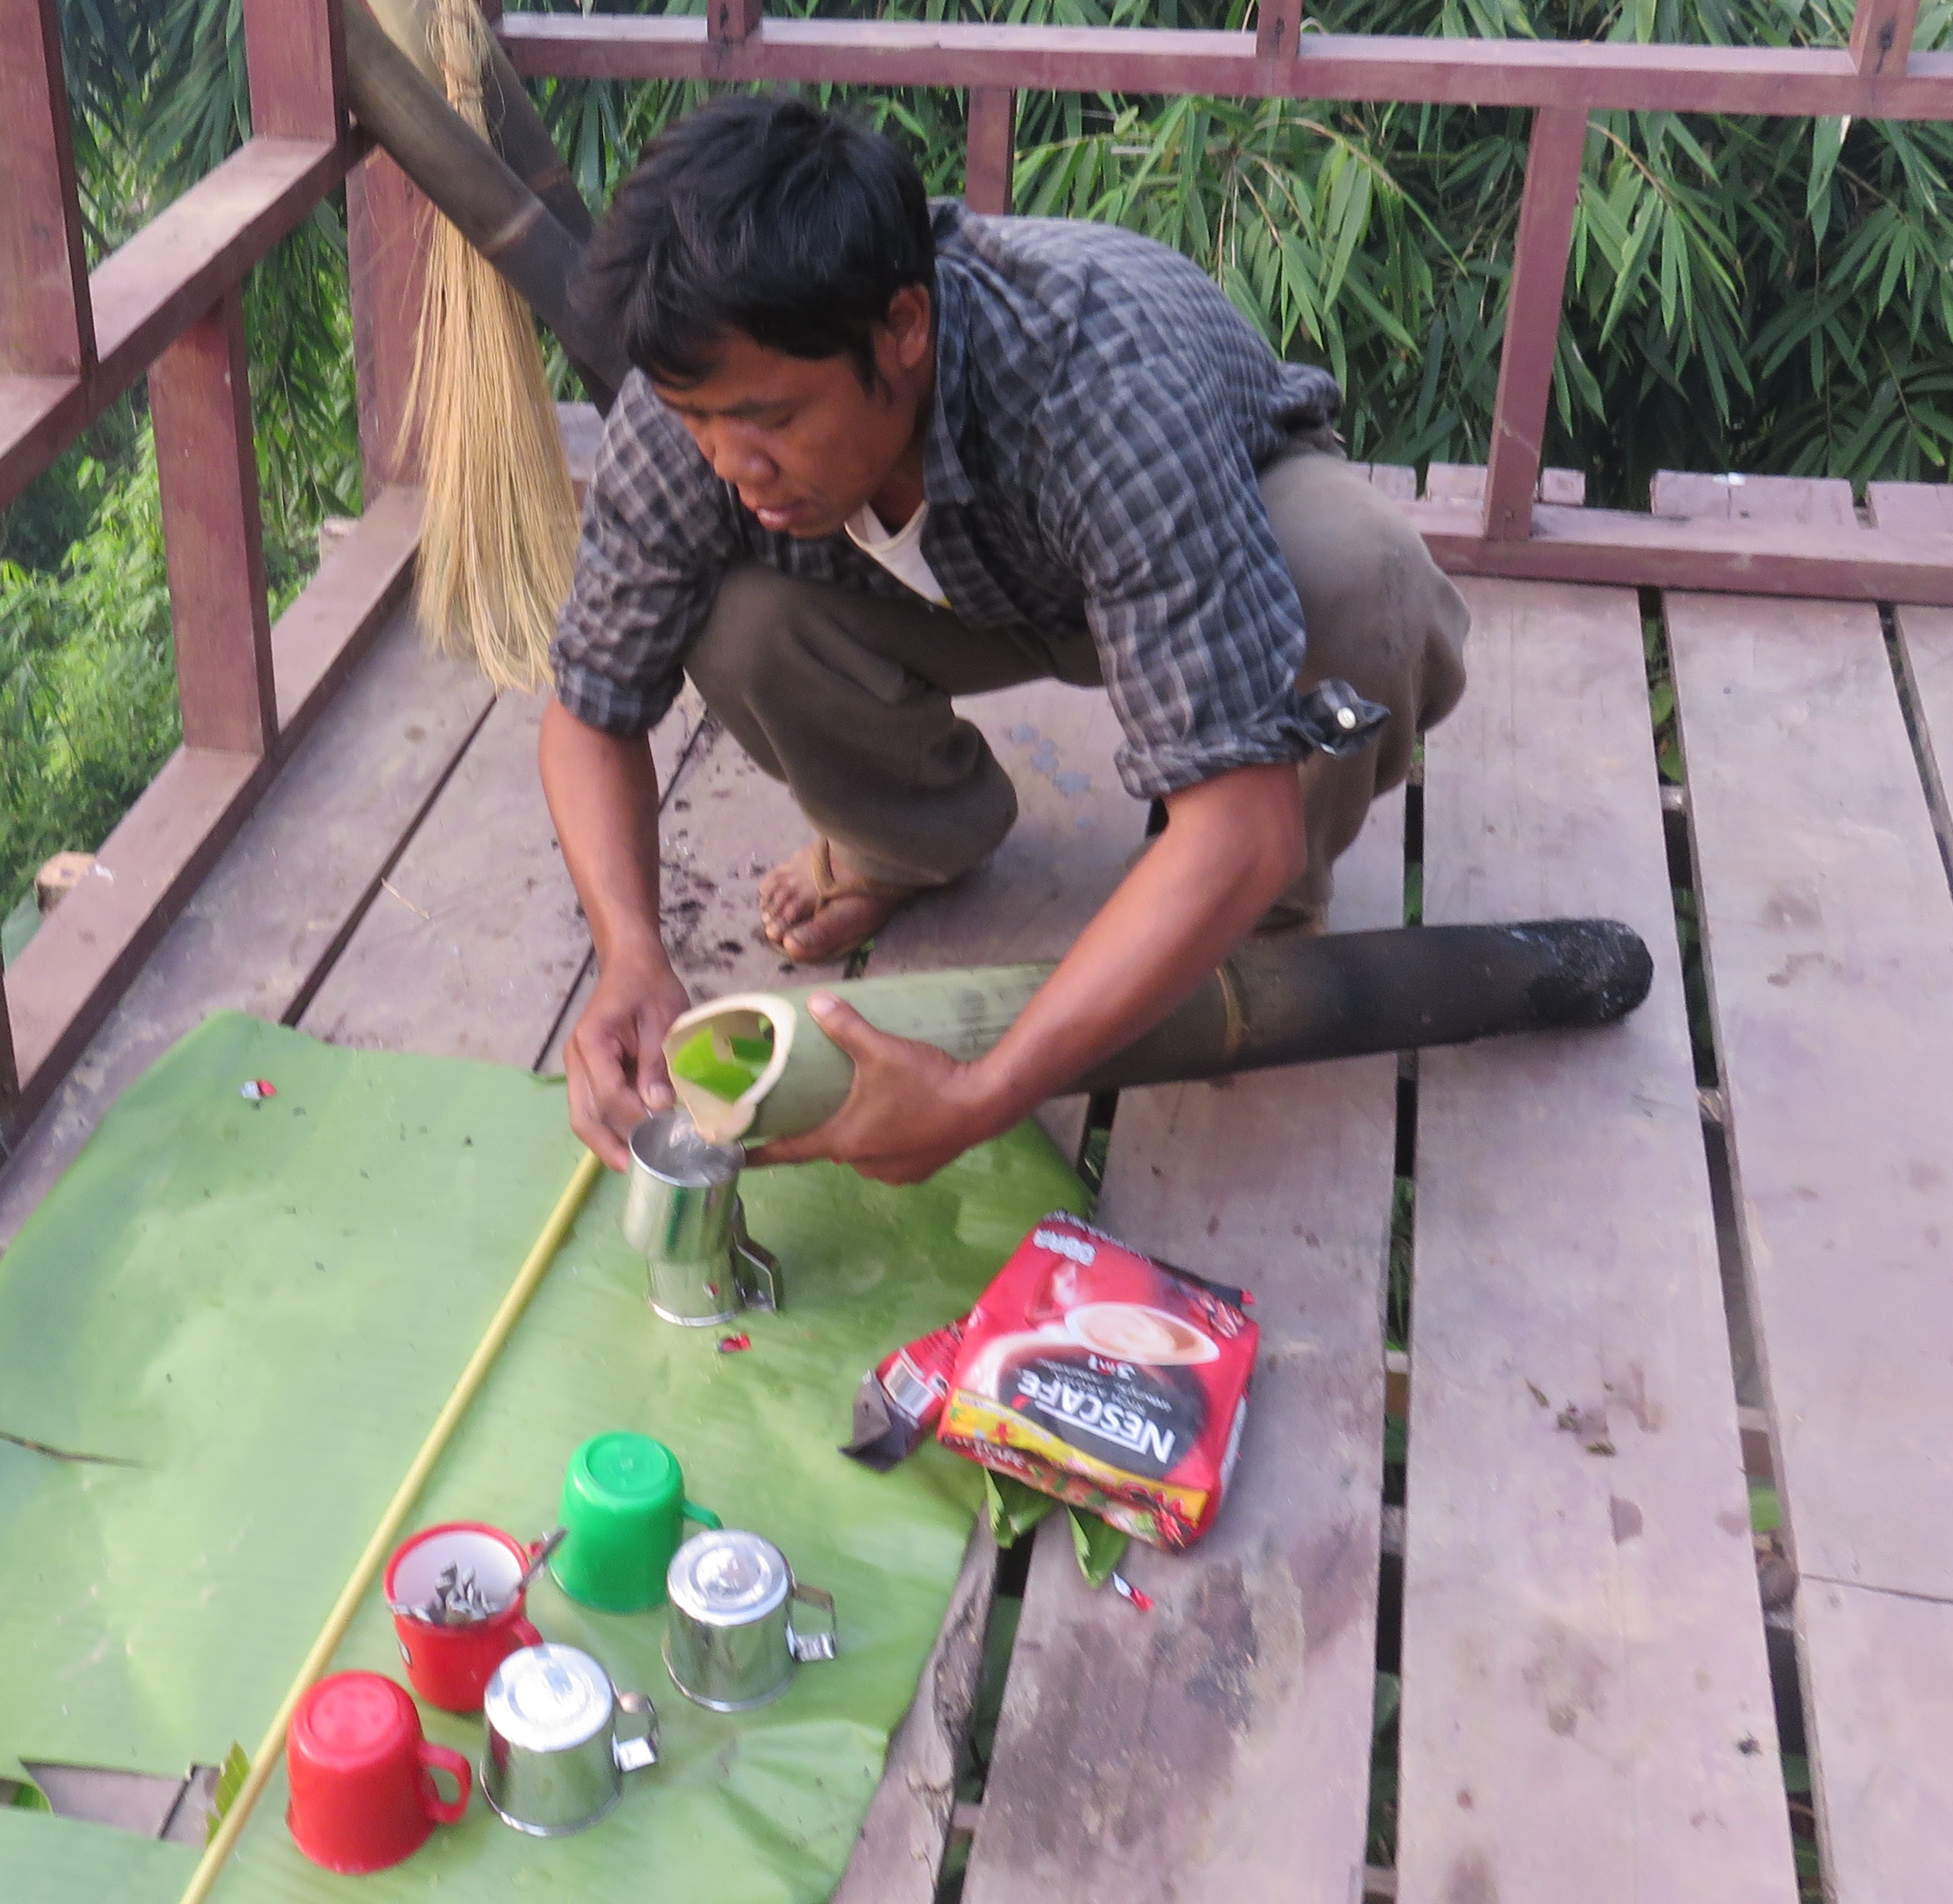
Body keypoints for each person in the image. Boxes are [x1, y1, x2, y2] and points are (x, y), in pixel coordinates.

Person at [540, 95, 1470, 1188]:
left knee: (1356, 578)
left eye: (774, 421)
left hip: (1220, 536)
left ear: (904, 327)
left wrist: (982, 1095)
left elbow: (1240, 824)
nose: (730, 465)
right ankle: (902, 842)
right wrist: (630, 956)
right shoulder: (698, 413)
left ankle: (1260, 916)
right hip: (961, 585)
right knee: (736, 623)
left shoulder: (1099, 387)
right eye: (699, 420)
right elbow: (589, 708)